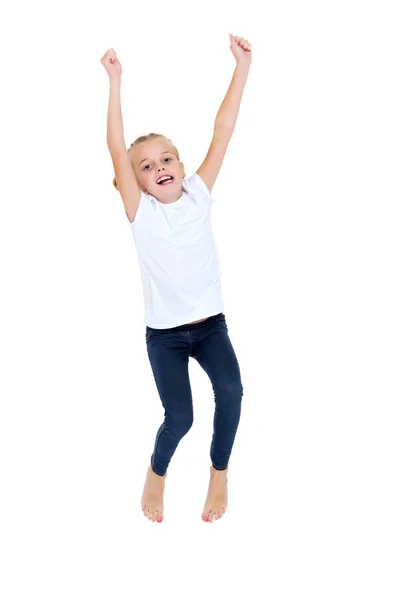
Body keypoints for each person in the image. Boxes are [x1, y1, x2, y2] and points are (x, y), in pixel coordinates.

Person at [100, 34, 252, 523]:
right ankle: (157, 473)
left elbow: (223, 129)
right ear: (135, 182)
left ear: (182, 167)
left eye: (166, 159)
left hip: (211, 327)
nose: (158, 167)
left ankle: (219, 473)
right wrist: (116, 82)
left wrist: (242, 68)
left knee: (231, 392)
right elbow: (114, 149)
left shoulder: (198, 193)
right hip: (164, 337)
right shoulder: (139, 213)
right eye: (146, 166)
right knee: (180, 417)